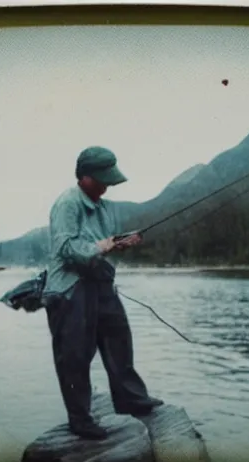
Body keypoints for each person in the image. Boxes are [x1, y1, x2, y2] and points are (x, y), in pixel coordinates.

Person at [42, 146, 163, 440]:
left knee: (119, 338)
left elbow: (100, 243)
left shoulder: (102, 206)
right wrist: (104, 246)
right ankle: (80, 420)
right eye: (102, 179)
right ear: (84, 177)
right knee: (75, 356)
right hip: (69, 288)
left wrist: (119, 242)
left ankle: (131, 399)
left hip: (99, 284)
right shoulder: (68, 204)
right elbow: (66, 249)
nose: (107, 185)